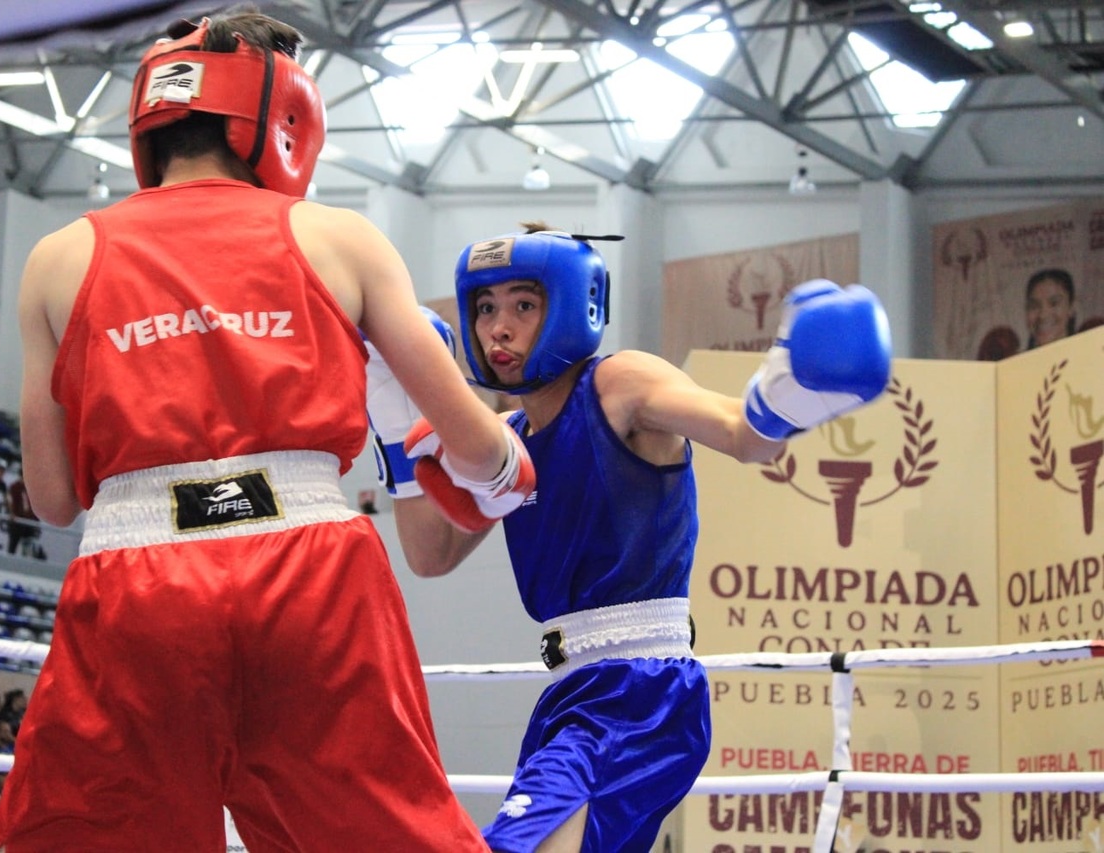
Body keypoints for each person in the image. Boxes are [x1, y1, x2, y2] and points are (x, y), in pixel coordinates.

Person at [0, 8, 532, 852]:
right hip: (311, 572)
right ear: (281, 119)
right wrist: (501, 469)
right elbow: (477, 444)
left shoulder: (57, 257)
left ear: (150, 122)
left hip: (135, 580)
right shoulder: (338, 237)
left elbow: (52, 499)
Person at [373, 224, 891, 852]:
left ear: (574, 304)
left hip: (637, 693)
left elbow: (742, 435)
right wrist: (395, 416)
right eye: (485, 308)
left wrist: (793, 394)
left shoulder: (618, 384)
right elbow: (430, 555)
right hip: (572, 693)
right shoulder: (507, 442)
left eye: (523, 305)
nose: (499, 329)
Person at [1024, 267, 1076, 350]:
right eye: (1034, 306)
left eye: (1054, 303)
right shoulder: (1017, 358)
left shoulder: (1091, 355)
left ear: (1071, 307)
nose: (1043, 315)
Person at [6, 469, 41, 556]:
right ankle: (10, 559)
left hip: (28, 520)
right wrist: (12, 513)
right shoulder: (14, 487)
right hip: (18, 520)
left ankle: (26, 558)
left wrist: (35, 519)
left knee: (28, 543)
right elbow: (10, 501)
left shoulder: (30, 488)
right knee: (13, 544)